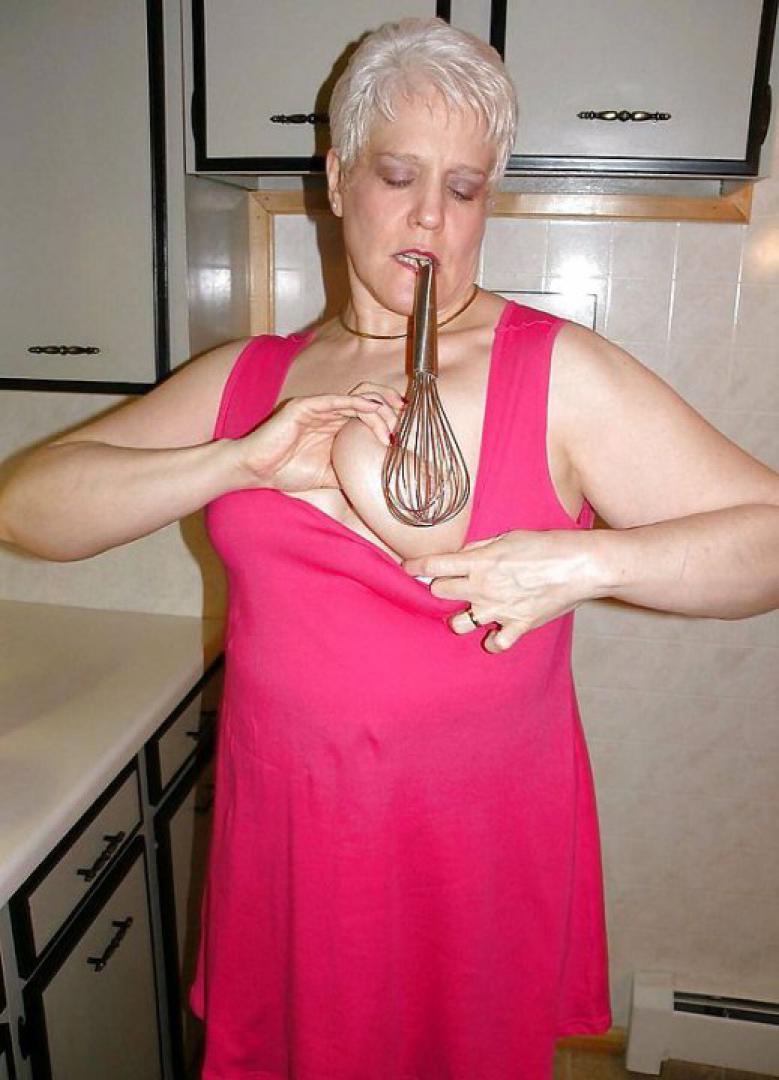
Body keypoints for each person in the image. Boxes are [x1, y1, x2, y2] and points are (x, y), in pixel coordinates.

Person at [1, 16, 777, 1080]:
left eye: (463, 189)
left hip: (465, 857)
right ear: (335, 178)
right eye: (397, 175)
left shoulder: (556, 371)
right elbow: (27, 509)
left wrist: (585, 564)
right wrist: (231, 462)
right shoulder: (250, 377)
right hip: (287, 842)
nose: (429, 219)